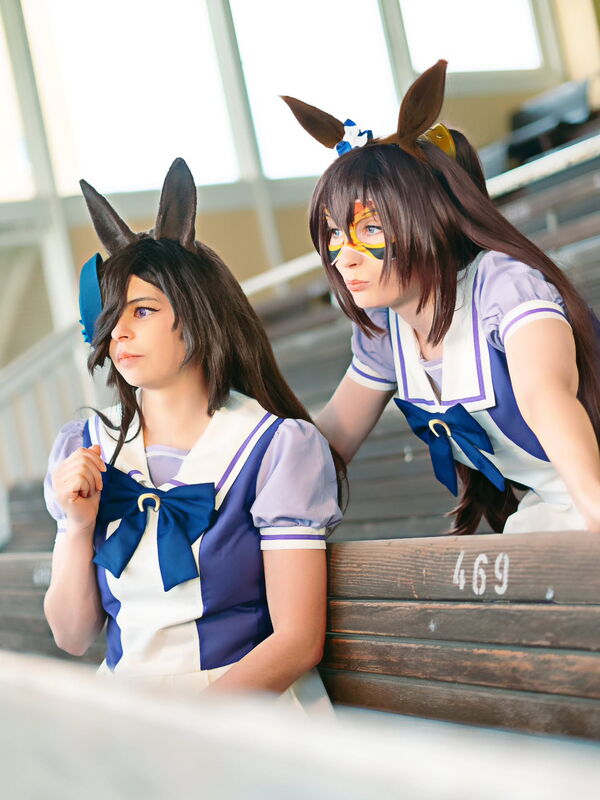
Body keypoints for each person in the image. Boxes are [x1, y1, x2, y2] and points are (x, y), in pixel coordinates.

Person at [43, 158, 342, 711]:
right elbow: (72, 636)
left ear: (197, 312)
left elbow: (298, 641)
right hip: (126, 716)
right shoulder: (86, 445)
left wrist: (183, 731)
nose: (119, 331)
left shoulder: (276, 447)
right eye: (113, 315)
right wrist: (77, 527)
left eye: (143, 311)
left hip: (245, 715)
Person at [282, 60, 600, 535]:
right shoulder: (385, 329)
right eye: (333, 234)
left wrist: (596, 511)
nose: (344, 258)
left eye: (369, 229)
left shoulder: (504, 286)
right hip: (554, 505)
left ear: (426, 219)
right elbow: (331, 442)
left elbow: (545, 399)